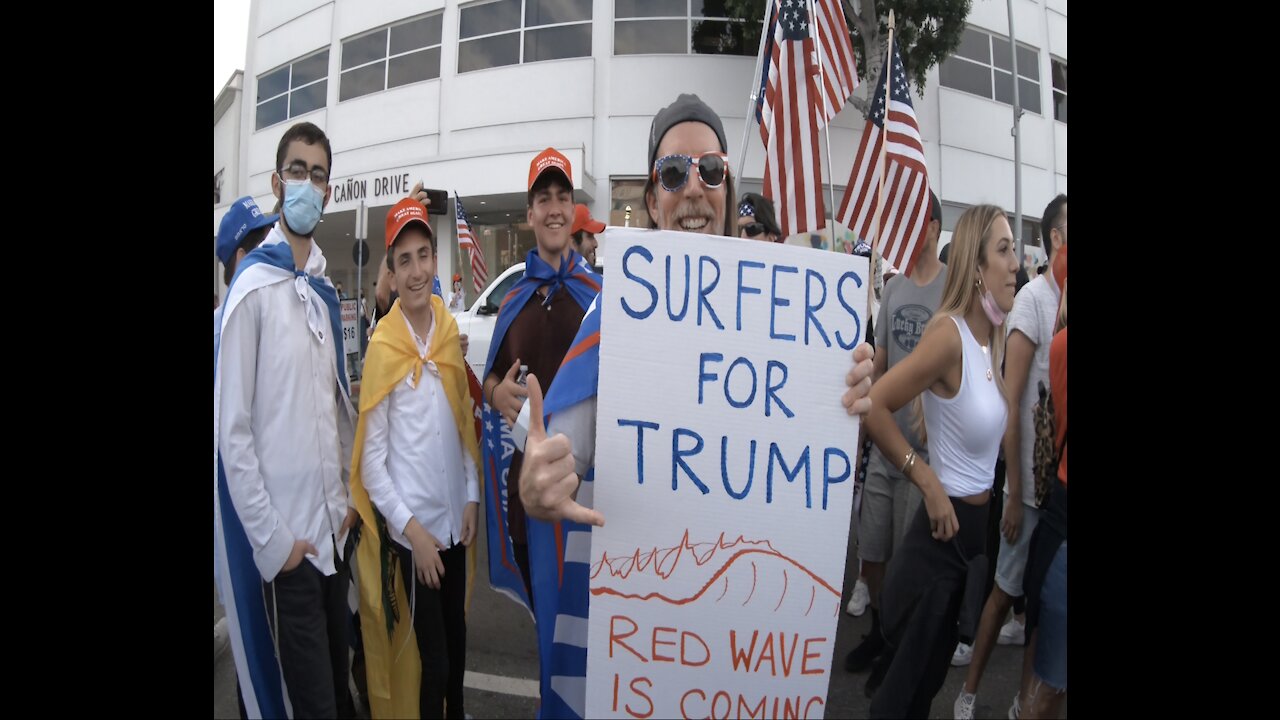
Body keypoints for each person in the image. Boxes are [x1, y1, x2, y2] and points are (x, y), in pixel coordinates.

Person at [513, 93, 877, 720]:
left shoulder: (792, 327)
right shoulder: (614, 321)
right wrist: (535, 484)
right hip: (639, 659)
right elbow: (551, 456)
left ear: (728, 190)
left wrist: (842, 396)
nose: (693, 189)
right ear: (653, 200)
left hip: (737, 663)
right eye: (673, 173)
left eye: (710, 170)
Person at [215, 121, 358, 719]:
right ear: (278, 182)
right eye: (297, 172)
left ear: (328, 192)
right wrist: (276, 545)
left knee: (338, 694)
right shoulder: (251, 291)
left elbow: (336, 405)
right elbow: (233, 433)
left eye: (318, 175)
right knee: (311, 708)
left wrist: (347, 500)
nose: (307, 184)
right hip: (292, 553)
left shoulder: (322, 290)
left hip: (333, 542)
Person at [862, 204, 1019, 718]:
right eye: (1004, 249)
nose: (1016, 262)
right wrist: (925, 480)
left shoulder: (986, 339)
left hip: (970, 541)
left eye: (1014, 248)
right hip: (940, 544)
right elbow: (875, 407)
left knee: (923, 691)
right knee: (901, 701)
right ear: (976, 267)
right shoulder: (948, 334)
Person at [349, 197, 480, 719]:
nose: (417, 270)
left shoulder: (448, 333)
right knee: (435, 666)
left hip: (456, 530)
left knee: (460, 654)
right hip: (417, 540)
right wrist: (415, 534)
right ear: (392, 270)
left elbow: (463, 422)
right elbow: (372, 467)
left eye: (423, 255)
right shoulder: (383, 348)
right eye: (404, 260)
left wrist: (471, 496)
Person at [953, 194, 1066, 720]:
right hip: (1029, 489)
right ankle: (968, 692)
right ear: (1057, 239)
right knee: (1003, 594)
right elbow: (1011, 398)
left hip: (1058, 491)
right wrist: (1017, 494)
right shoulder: (1033, 303)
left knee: (1042, 606)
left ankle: (1024, 704)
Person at [480, 148, 602, 609]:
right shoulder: (513, 300)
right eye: (544, 198)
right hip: (528, 494)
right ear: (530, 213)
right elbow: (490, 374)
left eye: (562, 197)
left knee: (588, 633)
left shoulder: (602, 299)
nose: (554, 208)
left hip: (587, 491)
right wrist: (494, 392)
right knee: (546, 630)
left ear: (573, 209)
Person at [844, 191, 947, 683]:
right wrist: (859, 430)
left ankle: (898, 650)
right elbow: (880, 365)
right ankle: (880, 635)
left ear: (931, 226)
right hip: (886, 450)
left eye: (910, 218)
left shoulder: (954, 291)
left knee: (910, 563)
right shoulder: (896, 289)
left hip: (926, 457)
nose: (901, 226)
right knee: (874, 553)